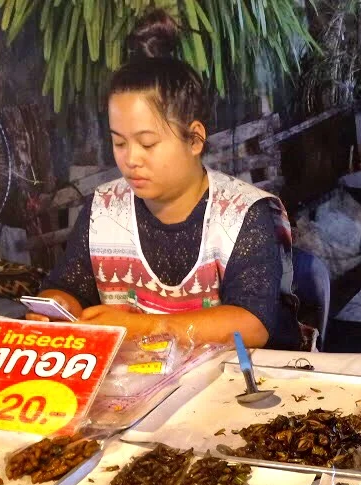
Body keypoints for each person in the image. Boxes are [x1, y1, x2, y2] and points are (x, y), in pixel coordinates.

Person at [35, 9, 300, 349]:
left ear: (194, 139)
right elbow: (70, 285)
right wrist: (58, 307)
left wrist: (141, 326)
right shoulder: (103, 210)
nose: (130, 159)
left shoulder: (240, 215)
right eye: (119, 142)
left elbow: (251, 325)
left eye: (147, 143)